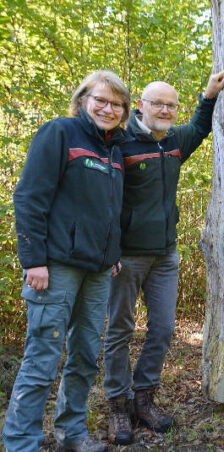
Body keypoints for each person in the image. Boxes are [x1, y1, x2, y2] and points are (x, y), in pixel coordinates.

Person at [3, 71, 130, 452]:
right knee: (43, 355)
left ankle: (72, 433)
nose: (108, 109)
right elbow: (29, 197)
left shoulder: (115, 150)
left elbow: (109, 210)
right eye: (101, 100)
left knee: (85, 356)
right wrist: (33, 260)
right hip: (55, 266)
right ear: (83, 100)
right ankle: (20, 441)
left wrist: (113, 256)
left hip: (97, 271)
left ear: (124, 112)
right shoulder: (59, 133)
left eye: (117, 104)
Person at [103, 70, 224, 445]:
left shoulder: (174, 141)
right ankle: (117, 406)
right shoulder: (118, 143)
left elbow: (201, 126)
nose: (164, 110)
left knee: (162, 329)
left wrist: (207, 95)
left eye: (170, 105)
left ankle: (144, 400)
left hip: (165, 256)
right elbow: (104, 203)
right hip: (126, 257)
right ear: (139, 105)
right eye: (156, 103)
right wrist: (109, 252)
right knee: (119, 330)